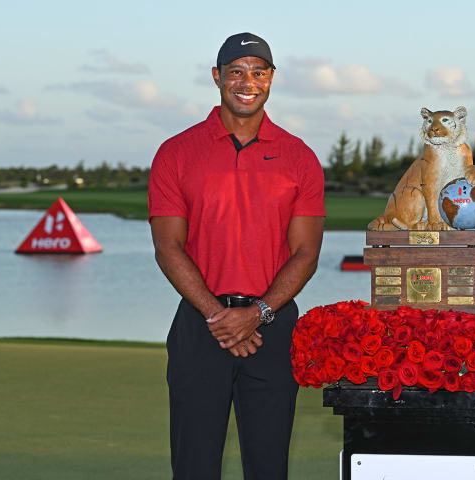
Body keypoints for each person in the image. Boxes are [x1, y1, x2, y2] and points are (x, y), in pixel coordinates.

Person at [148, 32, 325, 479]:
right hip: (200, 325)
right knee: (195, 466)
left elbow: (306, 253)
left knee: (268, 467)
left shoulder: (299, 156)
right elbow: (168, 247)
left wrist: (258, 312)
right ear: (217, 77)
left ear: (271, 79)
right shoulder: (176, 152)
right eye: (236, 72)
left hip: (273, 326)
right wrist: (219, 317)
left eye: (259, 72)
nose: (248, 82)